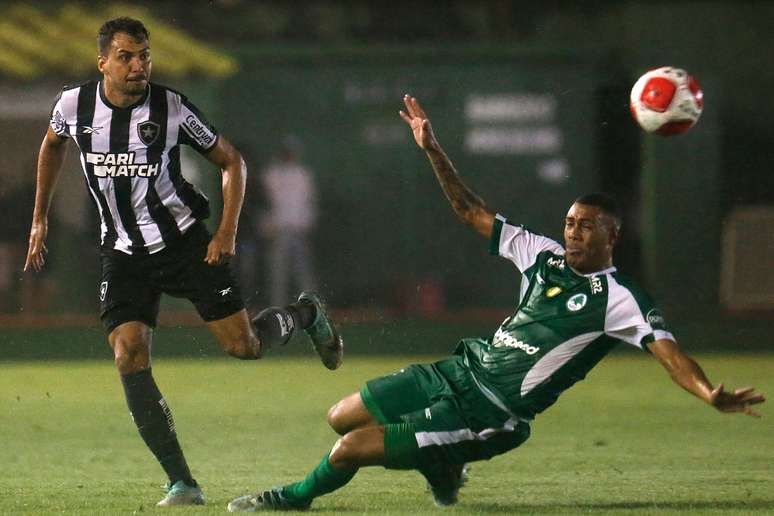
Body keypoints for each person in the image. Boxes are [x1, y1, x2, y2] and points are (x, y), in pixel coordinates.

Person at [226, 94, 765, 512]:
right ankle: (442, 466)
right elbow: (469, 210)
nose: (573, 233)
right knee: (340, 418)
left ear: (612, 236)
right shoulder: (543, 255)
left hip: (490, 413)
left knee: (350, 450)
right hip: (459, 371)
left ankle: (291, 499)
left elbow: (670, 355)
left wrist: (707, 393)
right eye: (570, 223)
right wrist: (432, 148)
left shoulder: (619, 297)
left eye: (587, 226)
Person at [23, 17, 343, 507]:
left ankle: (306, 314)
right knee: (129, 353)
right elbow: (51, 144)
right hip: (123, 253)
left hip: (186, 245)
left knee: (245, 347)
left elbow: (232, 162)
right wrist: (39, 217)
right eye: (126, 57)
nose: (138, 66)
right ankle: (182, 483)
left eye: (144, 56)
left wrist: (227, 231)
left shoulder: (171, 108)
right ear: (102, 62)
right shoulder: (73, 105)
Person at [259, 135, 318, 306]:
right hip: (278, 230)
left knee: (303, 272)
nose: (289, 155)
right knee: (278, 273)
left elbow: (309, 201)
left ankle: (310, 308)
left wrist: (306, 223)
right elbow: (265, 202)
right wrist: (267, 225)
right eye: (286, 152)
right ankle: (277, 308)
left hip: (298, 230)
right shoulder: (271, 174)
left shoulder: (303, 175)